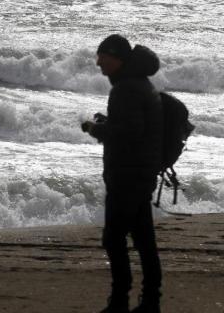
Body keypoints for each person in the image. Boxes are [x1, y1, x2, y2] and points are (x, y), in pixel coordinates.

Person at [81, 34, 164, 313]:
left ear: (116, 57)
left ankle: (120, 302)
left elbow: (128, 134)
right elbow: (133, 128)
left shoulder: (125, 88)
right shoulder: (138, 83)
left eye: (102, 57)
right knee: (143, 239)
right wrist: (109, 123)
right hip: (140, 173)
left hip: (128, 176)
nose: (98, 63)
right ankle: (150, 301)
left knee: (114, 239)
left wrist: (96, 129)